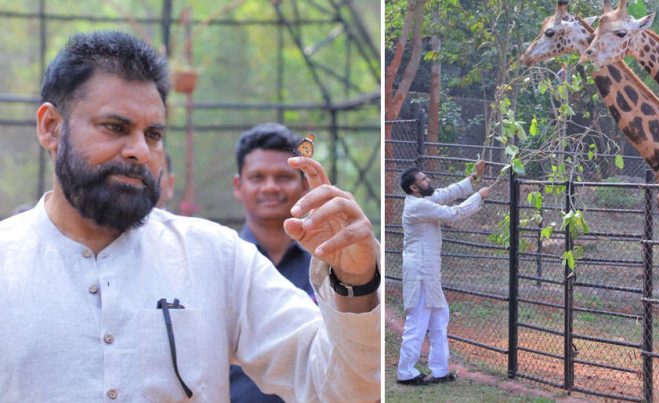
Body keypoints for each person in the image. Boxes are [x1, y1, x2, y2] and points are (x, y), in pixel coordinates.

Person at [0, 30, 380, 402]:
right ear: (51, 127)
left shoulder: (215, 257)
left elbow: (336, 387)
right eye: (115, 127)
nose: (140, 152)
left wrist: (357, 281)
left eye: (153, 135)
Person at [229, 123, 316, 402]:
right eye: (257, 177)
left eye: (283, 176)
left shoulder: (328, 267)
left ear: (304, 185)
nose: (270, 187)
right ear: (238, 186)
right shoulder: (219, 265)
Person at [396, 162, 490, 386]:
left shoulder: (423, 200)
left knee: (439, 318)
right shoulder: (417, 207)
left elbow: (448, 193)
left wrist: (474, 178)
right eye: (424, 179)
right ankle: (405, 371)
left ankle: (439, 371)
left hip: (429, 272)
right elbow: (454, 213)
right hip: (420, 273)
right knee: (418, 322)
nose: (428, 180)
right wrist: (479, 196)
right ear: (414, 188)